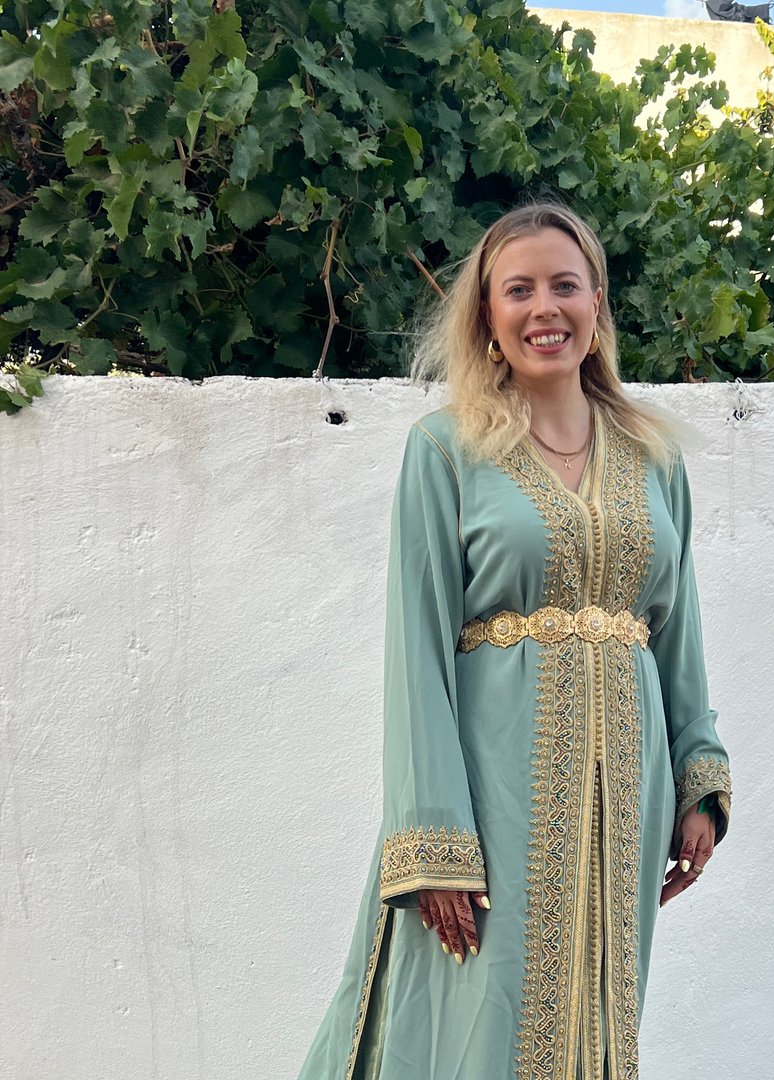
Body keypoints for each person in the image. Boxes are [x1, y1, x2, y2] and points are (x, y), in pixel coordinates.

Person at [297, 203, 731, 1080]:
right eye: (519, 290)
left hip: (626, 794)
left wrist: (701, 775)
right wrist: (433, 833)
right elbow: (416, 652)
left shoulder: (656, 457)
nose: (545, 308)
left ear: (596, 302)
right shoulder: (446, 449)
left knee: (599, 1012)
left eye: (564, 285)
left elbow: (675, 630)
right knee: (481, 1020)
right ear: (488, 315)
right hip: (491, 793)